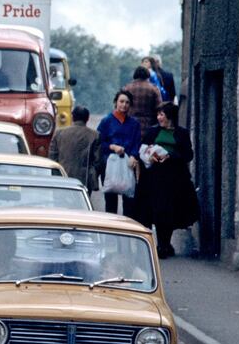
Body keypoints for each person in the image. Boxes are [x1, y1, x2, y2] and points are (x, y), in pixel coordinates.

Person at [139, 102, 199, 258]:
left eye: (162, 115)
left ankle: (166, 243)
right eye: (158, 114)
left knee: (171, 211)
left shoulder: (182, 134)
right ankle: (161, 245)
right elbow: (143, 148)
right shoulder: (153, 132)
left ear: (170, 117)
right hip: (156, 178)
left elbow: (188, 155)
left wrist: (170, 156)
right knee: (158, 210)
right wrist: (151, 154)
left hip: (175, 178)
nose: (159, 118)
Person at [96, 90, 141, 218]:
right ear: (116, 103)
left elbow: (137, 143)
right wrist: (112, 146)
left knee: (129, 200)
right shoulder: (106, 121)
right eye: (121, 101)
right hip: (109, 164)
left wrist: (133, 155)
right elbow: (99, 143)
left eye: (127, 102)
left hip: (128, 164)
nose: (124, 105)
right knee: (110, 200)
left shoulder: (134, 124)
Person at [48, 106, 100, 194]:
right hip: (84, 180)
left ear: (72, 117)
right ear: (87, 119)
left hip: (62, 178)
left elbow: (52, 157)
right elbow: (97, 161)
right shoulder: (94, 135)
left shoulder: (59, 133)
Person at [123, 66, 163, 137]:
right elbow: (160, 108)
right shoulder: (153, 89)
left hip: (129, 124)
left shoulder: (127, 88)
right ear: (147, 75)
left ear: (135, 75)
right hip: (148, 125)